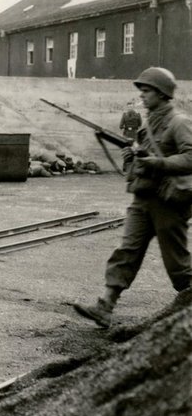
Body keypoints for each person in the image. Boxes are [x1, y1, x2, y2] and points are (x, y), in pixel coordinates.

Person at [74, 67, 192, 328]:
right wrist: (132, 158)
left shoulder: (178, 122)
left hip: (168, 202)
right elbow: (143, 159)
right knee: (127, 251)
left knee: (178, 265)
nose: (142, 96)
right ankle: (105, 306)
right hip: (143, 198)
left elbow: (191, 157)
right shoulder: (148, 123)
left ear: (162, 94)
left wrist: (158, 164)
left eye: (147, 91)